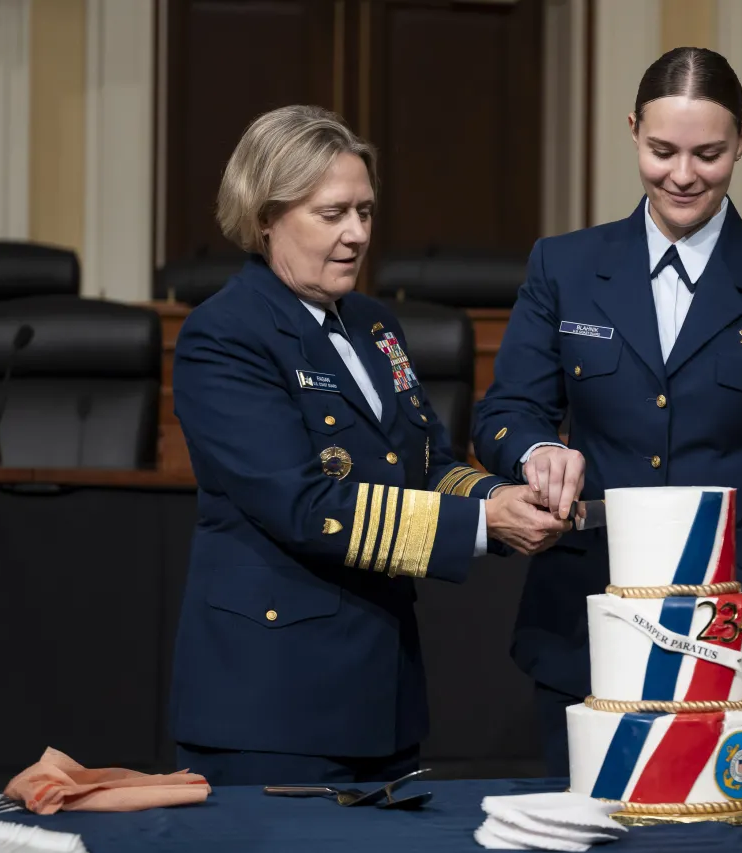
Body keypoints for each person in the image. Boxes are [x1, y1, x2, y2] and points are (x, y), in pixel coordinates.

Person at [472, 47, 742, 776]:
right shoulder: (562, 266)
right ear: (632, 132)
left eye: (709, 153)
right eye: (662, 150)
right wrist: (533, 451)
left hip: (741, 633)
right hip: (589, 623)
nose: (683, 175)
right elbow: (507, 409)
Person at [169, 105, 570, 786]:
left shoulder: (376, 325)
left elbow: (427, 464)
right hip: (272, 703)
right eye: (332, 214)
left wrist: (502, 495)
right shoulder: (225, 335)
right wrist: (481, 523)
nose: (357, 234)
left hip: (381, 690)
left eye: (366, 211)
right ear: (265, 215)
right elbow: (304, 505)